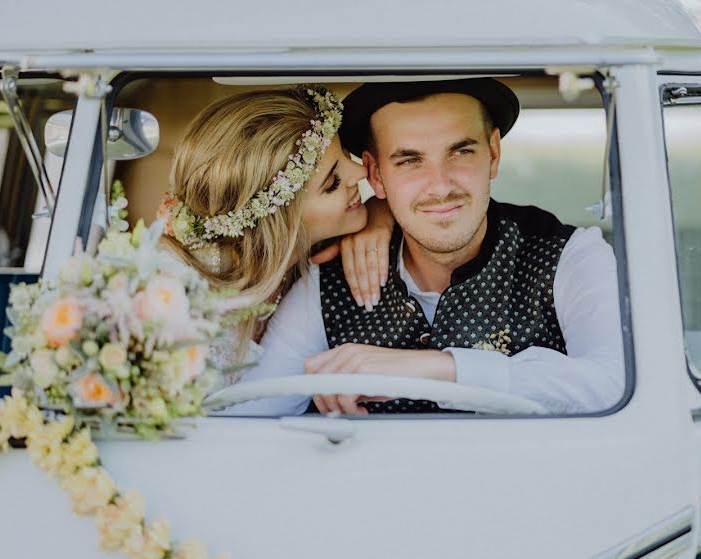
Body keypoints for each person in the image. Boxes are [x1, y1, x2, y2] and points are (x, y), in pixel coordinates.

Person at [234, 78, 625, 415]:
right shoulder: (326, 284)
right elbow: (252, 418)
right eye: (409, 161)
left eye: (460, 151)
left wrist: (434, 369)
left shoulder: (571, 255)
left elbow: (616, 384)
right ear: (375, 175)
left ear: (493, 154)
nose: (440, 186)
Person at [157, 85, 390, 382]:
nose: (358, 173)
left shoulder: (321, 248)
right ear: (281, 223)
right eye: (332, 182)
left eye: (345, 153)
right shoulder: (178, 301)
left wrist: (382, 217)